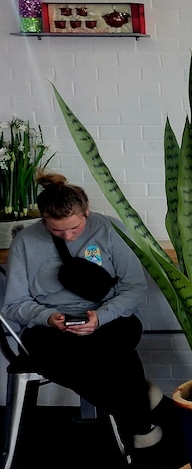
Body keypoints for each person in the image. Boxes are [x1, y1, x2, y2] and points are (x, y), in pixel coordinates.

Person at [1, 174, 161, 448]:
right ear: (43, 219)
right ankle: (140, 412)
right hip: (49, 326)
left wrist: (100, 317)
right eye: (57, 231)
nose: (69, 236)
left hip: (109, 317)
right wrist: (47, 317)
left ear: (86, 211)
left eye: (75, 228)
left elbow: (134, 287)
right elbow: (14, 305)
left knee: (108, 351)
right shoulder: (25, 242)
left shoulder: (109, 229)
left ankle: (139, 408)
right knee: (85, 359)